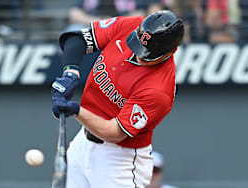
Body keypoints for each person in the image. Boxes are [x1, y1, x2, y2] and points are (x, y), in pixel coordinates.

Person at [51, 10, 184, 188]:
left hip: (120, 161)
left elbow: (114, 133)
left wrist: (75, 110)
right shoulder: (130, 25)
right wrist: (71, 73)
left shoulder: (159, 89)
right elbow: (76, 39)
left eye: (147, 54)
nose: (139, 55)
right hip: (83, 143)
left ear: (170, 52)